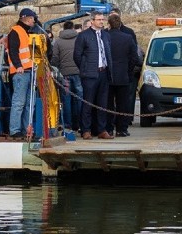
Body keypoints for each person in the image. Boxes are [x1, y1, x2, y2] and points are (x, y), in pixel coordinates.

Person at [73, 12, 114, 140]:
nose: (102, 21)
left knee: (102, 104)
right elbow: (77, 56)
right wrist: (85, 68)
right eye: (99, 19)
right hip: (90, 74)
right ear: (92, 21)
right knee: (88, 103)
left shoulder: (106, 35)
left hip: (104, 73)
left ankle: (102, 129)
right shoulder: (83, 36)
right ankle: (86, 130)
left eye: (103, 19)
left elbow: (108, 53)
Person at [7, 8, 39, 139]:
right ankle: (15, 130)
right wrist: (18, 66)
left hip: (29, 71)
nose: (34, 21)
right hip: (21, 72)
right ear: (25, 18)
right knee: (19, 103)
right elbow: (13, 51)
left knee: (29, 104)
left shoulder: (26, 32)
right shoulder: (16, 32)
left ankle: (27, 130)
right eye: (32, 18)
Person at [106, 13, 138, 137]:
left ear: (109, 24)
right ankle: (122, 129)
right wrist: (128, 70)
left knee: (108, 104)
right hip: (123, 75)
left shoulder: (105, 36)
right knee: (123, 104)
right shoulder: (127, 38)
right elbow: (134, 58)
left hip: (108, 76)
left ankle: (109, 129)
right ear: (120, 24)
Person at [51, 20, 83, 132]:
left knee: (66, 99)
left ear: (63, 29)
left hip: (65, 75)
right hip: (78, 73)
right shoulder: (79, 39)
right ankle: (79, 124)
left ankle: (68, 125)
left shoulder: (58, 42)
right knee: (79, 99)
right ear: (73, 28)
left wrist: (59, 66)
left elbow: (54, 59)